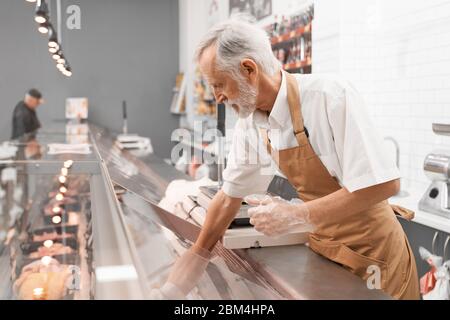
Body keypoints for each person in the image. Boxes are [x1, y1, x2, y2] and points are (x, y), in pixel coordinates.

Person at [155, 18, 420, 300]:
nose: (217, 97)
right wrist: (189, 267)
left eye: (219, 84)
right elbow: (229, 197)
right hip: (326, 252)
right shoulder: (251, 122)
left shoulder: (329, 97)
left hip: (376, 257)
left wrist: (298, 214)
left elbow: (383, 185)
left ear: (248, 69)